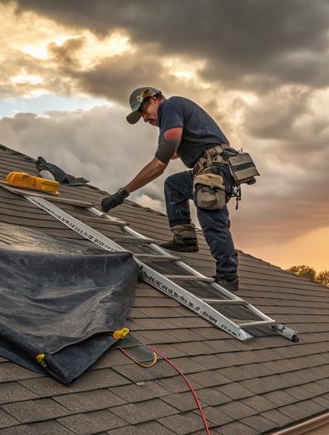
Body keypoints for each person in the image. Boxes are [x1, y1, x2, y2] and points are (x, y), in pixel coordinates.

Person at [100, 87, 241, 292]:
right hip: (206, 168)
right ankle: (185, 238)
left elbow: (160, 163)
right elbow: (173, 152)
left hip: (215, 169)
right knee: (174, 185)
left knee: (209, 213)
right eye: (140, 115)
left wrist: (123, 193)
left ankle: (228, 277)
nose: (144, 117)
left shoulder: (171, 106)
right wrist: (163, 134)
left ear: (155, 99)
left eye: (144, 110)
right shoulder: (171, 116)